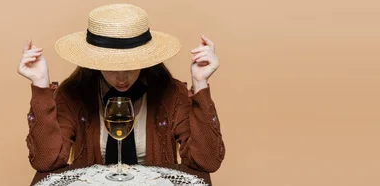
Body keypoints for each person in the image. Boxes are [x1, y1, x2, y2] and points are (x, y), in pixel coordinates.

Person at [17, 4, 225, 173]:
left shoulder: (171, 93)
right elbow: (46, 162)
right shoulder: (72, 94)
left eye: (130, 65)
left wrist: (200, 84)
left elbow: (206, 162)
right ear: (94, 61)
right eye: (111, 66)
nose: (121, 77)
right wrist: (41, 85)